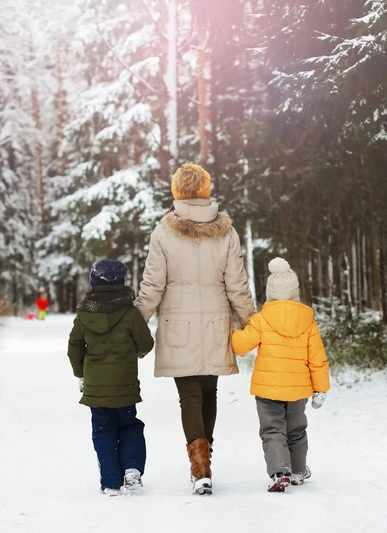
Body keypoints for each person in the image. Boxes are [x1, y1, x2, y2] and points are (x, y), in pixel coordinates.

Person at [135, 163, 255, 495]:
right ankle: (205, 461)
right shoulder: (226, 232)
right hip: (216, 322)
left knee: (189, 394)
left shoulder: (164, 231)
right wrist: (253, 324)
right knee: (209, 392)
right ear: (205, 190)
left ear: (177, 191)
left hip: (178, 324)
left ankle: (199, 466)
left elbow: (152, 286)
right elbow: (238, 287)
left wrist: (133, 325)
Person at [231, 257, 330, 493]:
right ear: (295, 293)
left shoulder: (262, 319)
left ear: (270, 293)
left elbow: (241, 346)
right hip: (298, 390)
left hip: (268, 390)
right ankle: (297, 471)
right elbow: (317, 358)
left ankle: (280, 471)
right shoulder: (308, 321)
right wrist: (321, 388)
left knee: (273, 430)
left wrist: (232, 331)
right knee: (296, 430)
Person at [67, 259, 155, 496]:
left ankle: (110, 482)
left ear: (94, 281)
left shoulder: (85, 313)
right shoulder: (130, 313)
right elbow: (146, 343)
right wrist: (138, 351)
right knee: (129, 425)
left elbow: (74, 346)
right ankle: (132, 467)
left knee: (103, 429)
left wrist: (81, 374)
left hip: (96, 386)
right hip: (124, 384)